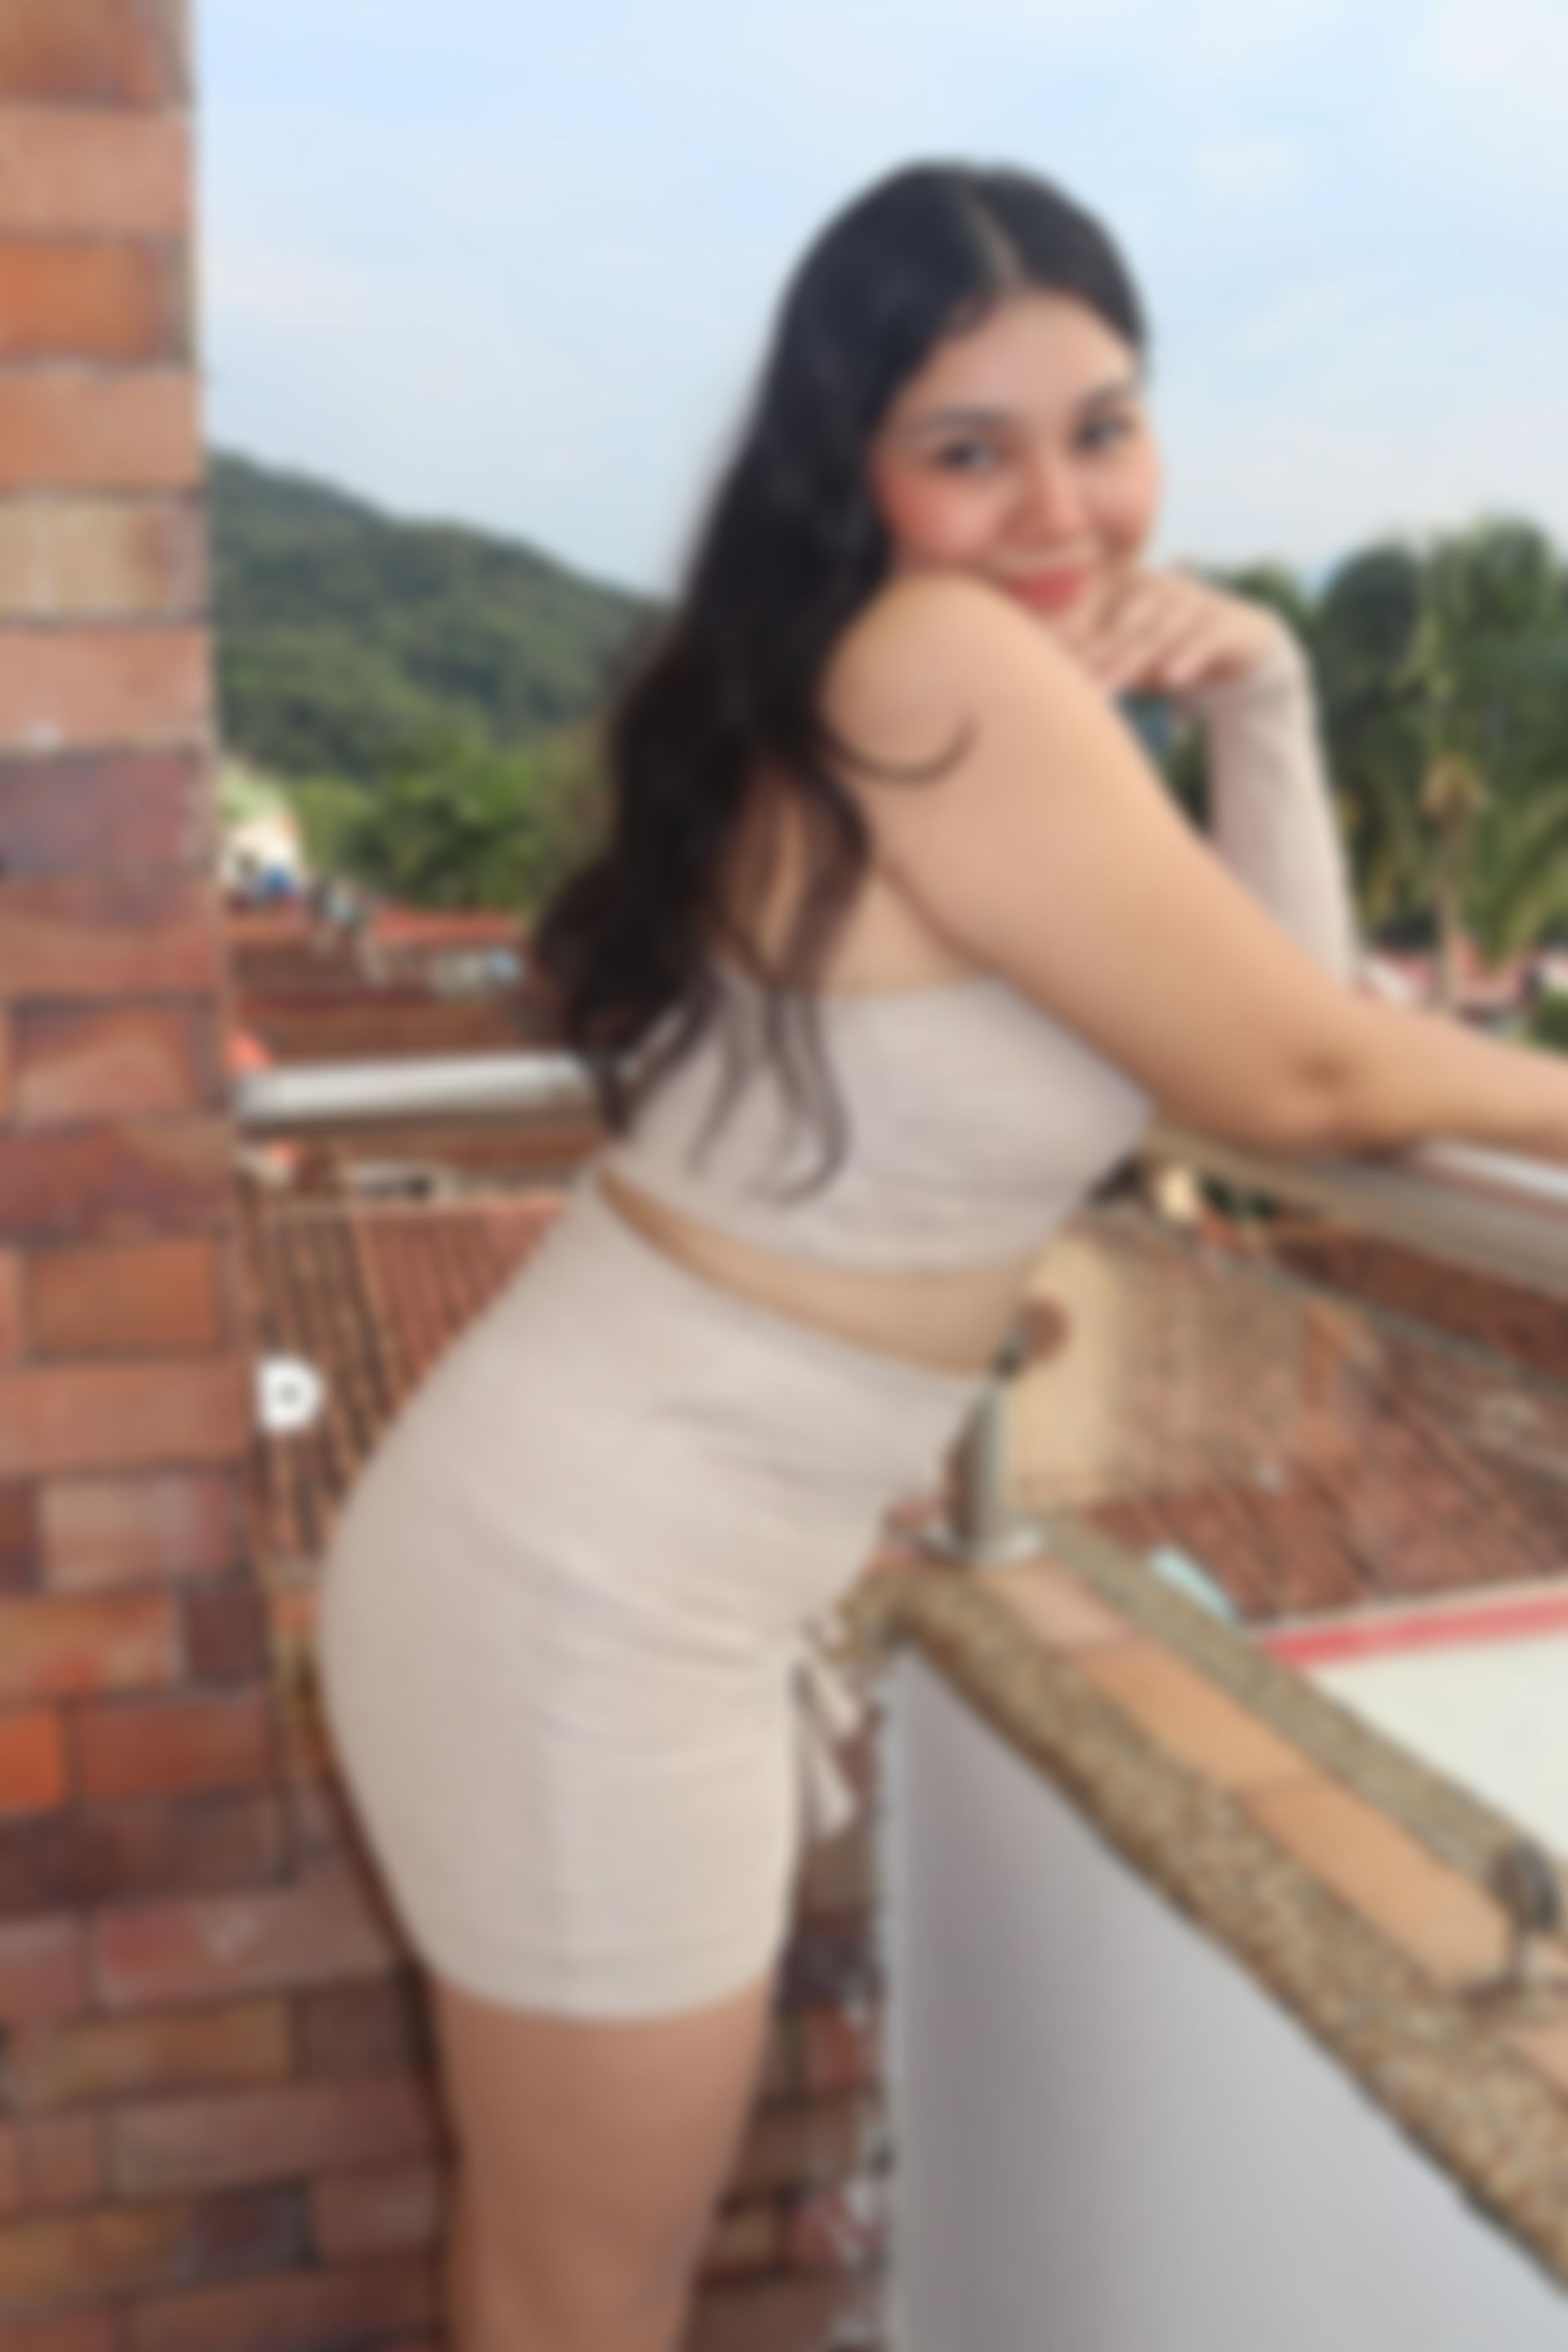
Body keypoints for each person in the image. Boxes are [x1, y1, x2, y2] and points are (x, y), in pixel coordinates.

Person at [315, 159, 1568, 2352]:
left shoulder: (898, 678)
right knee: (588, 2293)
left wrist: (1264, 698)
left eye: (1104, 427)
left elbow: (1262, 1041)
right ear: (855, 468)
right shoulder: (939, 668)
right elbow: (1304, 1076)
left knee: (551, 2268)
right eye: (969, 449)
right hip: (595, 1592)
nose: (1060, 505)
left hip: (622, 1560)